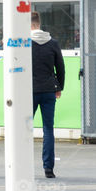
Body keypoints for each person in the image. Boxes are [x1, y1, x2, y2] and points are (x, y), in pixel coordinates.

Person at [31, 11, 64, 179]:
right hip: (49, 90)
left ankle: (22, 166)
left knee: (23, 130)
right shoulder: (53, 43)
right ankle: (48, 169)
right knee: (48, 129)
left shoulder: (24, 44)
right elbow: (61, 67)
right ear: (39, 23)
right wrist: (59, 87)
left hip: (29, 92)